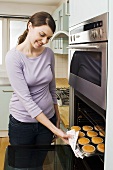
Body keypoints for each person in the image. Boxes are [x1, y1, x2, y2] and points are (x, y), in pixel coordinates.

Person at [5, 11, 71, 169]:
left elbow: (51, 87)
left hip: (47, 122)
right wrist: (55, 128)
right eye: (42, 35)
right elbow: (27, 100)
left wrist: (56, 116)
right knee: (21, 166)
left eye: (48, 38)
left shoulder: (48, 54)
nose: (44, 41)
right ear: (30, 26)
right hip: (22, 124)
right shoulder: (13, 57)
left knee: (38, 165)